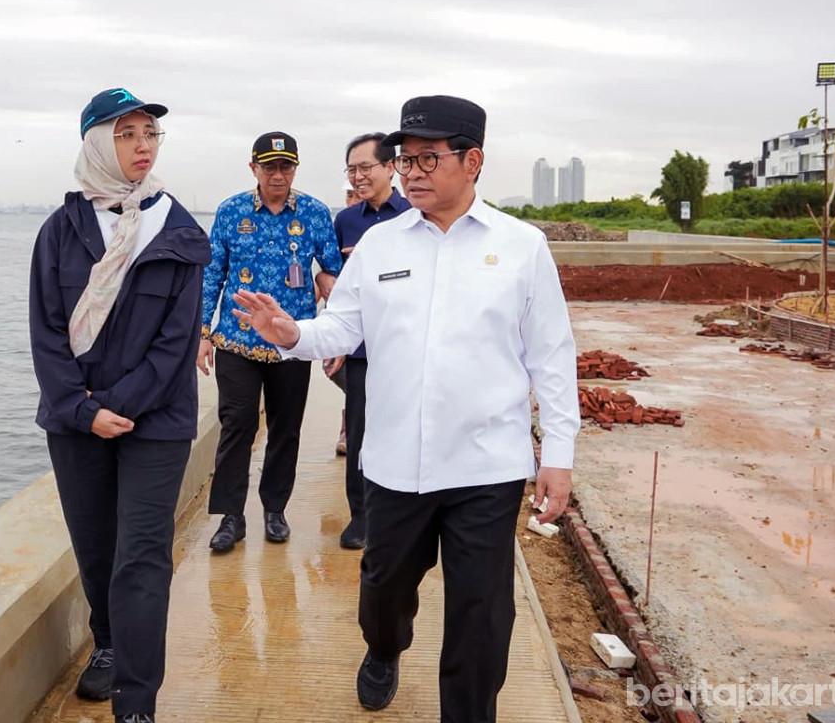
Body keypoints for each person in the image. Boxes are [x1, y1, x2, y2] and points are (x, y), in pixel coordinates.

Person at [231, 95, 579, 722]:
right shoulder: (380, 247)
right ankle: (384, 648)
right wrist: (291, 335)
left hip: (486, 467)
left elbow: (551, 358)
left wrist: (558, 455)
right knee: (383, 592)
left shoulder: (522, 248)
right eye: (405, 159)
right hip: (394, 464)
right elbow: (338, 330)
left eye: (427, 158)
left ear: (472, 161)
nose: (412, 171)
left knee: (481, 616)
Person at [29, 87, 210, 723]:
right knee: (97, 548)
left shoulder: (180, 231)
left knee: (141, 557)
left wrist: (118, 407)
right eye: (126, 134)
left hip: (155, 421)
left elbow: (176, 342)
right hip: (76, 420)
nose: (142, 146)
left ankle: (137, 702)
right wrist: (83, 411)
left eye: (150, 135)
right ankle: (108, 644)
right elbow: (46, 332)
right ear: (96, 144)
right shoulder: (61, 230)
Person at [198, 132, 343, 552]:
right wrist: (203, 333)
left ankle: (275, 509)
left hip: (291, 343)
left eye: (286, 166)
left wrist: (333, 332)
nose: (277, 174)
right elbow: (212, 275)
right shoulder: (231, 212)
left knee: (286, 429)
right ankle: (230, 516)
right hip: (237, 341)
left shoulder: (315, 213)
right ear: (253, 168)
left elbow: (334, 275)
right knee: (236, 426)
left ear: (295, 168)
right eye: (269, 166)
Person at [328, 132, 411, 550]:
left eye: (366, 168)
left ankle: (400, 511)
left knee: (403, 426)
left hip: (404, 347)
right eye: (352, 170)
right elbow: (335, 282)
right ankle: (360, 516)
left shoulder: (414, 213)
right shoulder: (345, 222)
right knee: (358, 430)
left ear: (390, 167)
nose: (358, 177)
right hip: (360, 349)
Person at [326, 179, 362, 458]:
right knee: (343, 373)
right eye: (348, 194)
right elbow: (329, 269)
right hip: (346, 320)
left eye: (355, 193)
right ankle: (349, 424)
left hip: (379, 322)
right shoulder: (344, 222)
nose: (353, 198)